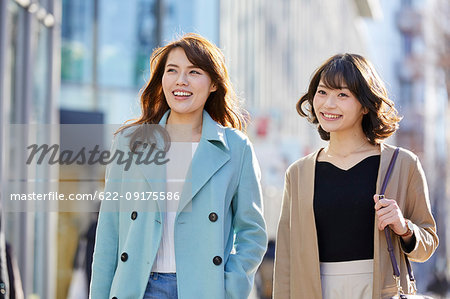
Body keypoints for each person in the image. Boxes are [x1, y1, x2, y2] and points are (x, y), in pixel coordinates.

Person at [90, 33, 267, 299]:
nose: (180, 80)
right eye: (172, 70)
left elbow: (252, 233)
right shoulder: (129, 143)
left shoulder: (236, 148)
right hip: (137, 289)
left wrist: (230, 288)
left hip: (205, 290)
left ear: (214, 84)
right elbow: (109, 231)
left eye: (194, 72)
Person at [273, 53, 438, 299]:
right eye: (322, 92)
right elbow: (285, 258)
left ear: (364, 104)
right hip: (314, 290)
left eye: (342, 95)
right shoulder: (298, 173)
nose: (328, 104)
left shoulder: (402, 164)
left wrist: (404, 228)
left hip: (379, 290)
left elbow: (427, 245)